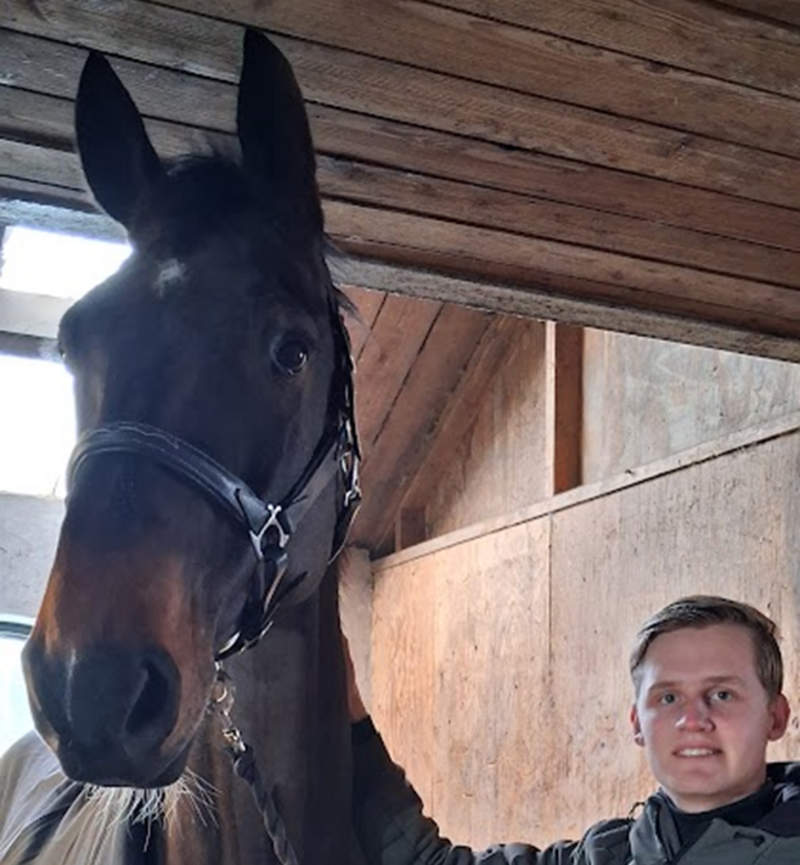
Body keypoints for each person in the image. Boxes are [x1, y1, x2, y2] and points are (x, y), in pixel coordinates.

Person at [345, 595, 800, 863]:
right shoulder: (609, 853)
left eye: (722, 694)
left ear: (775, 717)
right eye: (668, 698)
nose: (692, 720)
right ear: (637, 725)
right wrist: (353, 722)